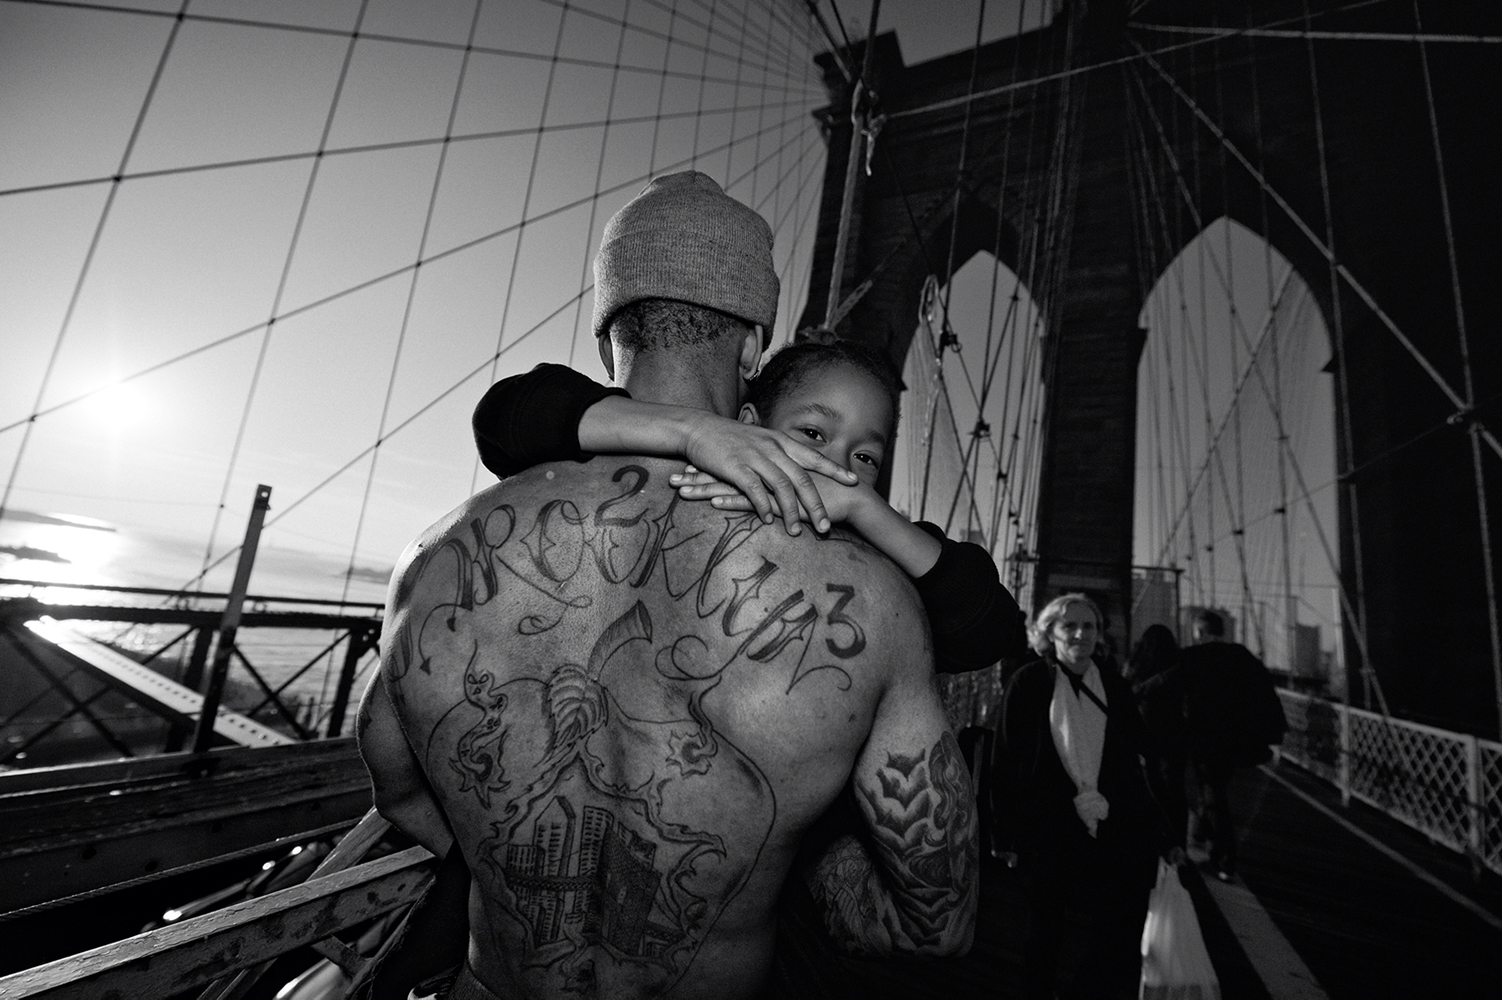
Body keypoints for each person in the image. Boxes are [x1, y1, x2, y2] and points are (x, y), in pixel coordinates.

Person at [357, 171, 978, 1000]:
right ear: (755, 345)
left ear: (607, 339)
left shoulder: (437, 558)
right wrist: (779, 864)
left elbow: (400, 792)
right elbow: (936, 922)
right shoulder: (870, 602)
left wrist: (516, 860)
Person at [471, 339, 1029, 674]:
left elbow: (995, 634)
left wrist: (869, 513)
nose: (835, 465)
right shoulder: (697, 487)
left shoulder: (878, 551)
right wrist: (694, 433)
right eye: (812, 432)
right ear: (749, 432)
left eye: (865, 456)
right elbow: (506, 415)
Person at [989, 594, 1167, 1000]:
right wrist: (1004, 834)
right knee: (1044, 931)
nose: (1081, 634)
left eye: (1089, 627)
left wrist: (1163, 830)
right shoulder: (1029, 683)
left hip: (1108, 825)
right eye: (1069, 626)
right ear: (1049, 632)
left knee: (1117, 927)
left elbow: (1139, 750)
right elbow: (1006, 762)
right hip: (1046, 827)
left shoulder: (1113, 686)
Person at [1182, 608, 1287, 882]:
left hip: (1203, 739)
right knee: (1215, 788)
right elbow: (1266, 696)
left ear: (1200, 632)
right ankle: (1203, 831)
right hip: (1237, 741)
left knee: (1213, 793)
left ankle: (1224, 859)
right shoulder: (1243, 657)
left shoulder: (1191, 658)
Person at [1124, 623, 1189, 849]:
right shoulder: (1179, 665)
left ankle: (1154, 839)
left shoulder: (1136, 663)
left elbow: (1127, 692)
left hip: (1144, 728)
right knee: (1175, 788)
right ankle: (1178, 843)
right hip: (1174, 731)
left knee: (1149, 785)